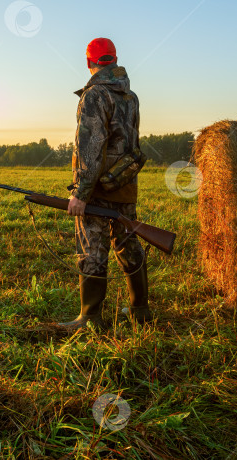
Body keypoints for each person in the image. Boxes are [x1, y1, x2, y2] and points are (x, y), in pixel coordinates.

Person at [59, 37, 152, 331]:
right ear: (113, 59)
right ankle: (140, 310)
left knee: (91, 249)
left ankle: (90, 319)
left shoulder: (95, 95)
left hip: (98, 187)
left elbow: (90, 148)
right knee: (128, 243)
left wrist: (81, 193)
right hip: (124, 183)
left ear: (90, 62)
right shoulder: (130, 96)